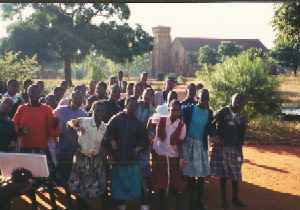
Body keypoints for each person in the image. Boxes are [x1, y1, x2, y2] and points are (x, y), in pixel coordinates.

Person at [103, 96, 148, 210]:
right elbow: (107, 134)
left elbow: (144, 140)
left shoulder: (138, 123)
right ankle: (120, 206)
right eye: (131, 105)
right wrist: (112, 142)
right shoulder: (116, 119)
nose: (133, 108)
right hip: (117, 159)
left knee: (136, 186)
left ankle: (143, 205)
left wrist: (138, 148)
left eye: (135, 106)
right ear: (126, 105)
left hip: (132, 160)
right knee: (118, 187)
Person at [68, 100, 108, 209]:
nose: (100, 112)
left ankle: (87, 205)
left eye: (102, 110)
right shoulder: (84, 121)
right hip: (82, 156)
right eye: (97, 109)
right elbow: (69, 124)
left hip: (96, 159)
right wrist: (75, 142)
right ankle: (81, 204)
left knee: (95, 186)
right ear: (93, 110)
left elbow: (103, 143)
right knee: (78, 184)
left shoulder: (105, 126)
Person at [210, 93, 248, 209]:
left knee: (236, 174)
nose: (238, 103)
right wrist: (214, 136)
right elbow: (210, 124)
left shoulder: (242, 116)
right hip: (221, 148)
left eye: (240, 101)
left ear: (243, 104)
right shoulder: (223, 111)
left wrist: (240, 149)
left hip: (235, 148)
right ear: (231, 100)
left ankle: (235, 198)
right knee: (223, 175)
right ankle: (223, 201)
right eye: (236, 100)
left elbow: (242, 135)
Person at [181, 89, 214, 210]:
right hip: (188, 144)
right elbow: (180, 120)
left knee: (201, 175)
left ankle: (199, 202)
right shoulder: (189, 109)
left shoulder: (209, 112)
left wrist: (215, 135)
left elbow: (210, 127)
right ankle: (190, 203)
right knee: (189, 175)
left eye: (207, 99)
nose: (205, 101)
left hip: (201, 145)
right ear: (197, 98)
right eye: (203, 98)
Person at [151, 100, 186, 210]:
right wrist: (151, 140)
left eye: (176, 110)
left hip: (173, 158)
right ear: (168, 109)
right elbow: (149, 125)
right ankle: (160, 206)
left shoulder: (182, 125)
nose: (173, 112)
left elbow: (181, 143)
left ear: (180, 112)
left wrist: (181, 158)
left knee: (175, 185)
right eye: (172, 109)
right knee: (160, 184)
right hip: (160, 157)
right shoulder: (161, 120)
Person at [13, 84, 59, 155]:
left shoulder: (47, 109)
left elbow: (52, 131)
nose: (34, 94)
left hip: (41, 148)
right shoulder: (22, 108)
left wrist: (55, 125)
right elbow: (15, 125)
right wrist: (20, 131)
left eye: (36, 92)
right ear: (28, 93)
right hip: (25, 147)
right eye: (32, 92)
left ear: (40, 94)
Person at [54, 91, 87, 184]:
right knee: (63, 172)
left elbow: (85, 133)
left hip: (77, 148)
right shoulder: (60, 111)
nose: (78, 101)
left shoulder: (84, 115)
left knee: (75, 173)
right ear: (71, 99)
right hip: (62, 147)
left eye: (80, 98)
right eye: (76, 98)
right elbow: (52, 125)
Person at [135, 88, 155, 210]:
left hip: (144, 146)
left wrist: (146, 138)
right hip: (131, 144)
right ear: (142, 95)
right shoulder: (135, 105)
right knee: (132, 170)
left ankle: (144, 199)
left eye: (149, 96)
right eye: (145, 95)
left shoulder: (153, 111)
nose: (147, 97)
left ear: (152, 98)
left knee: (143, 171)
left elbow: (152, 132)